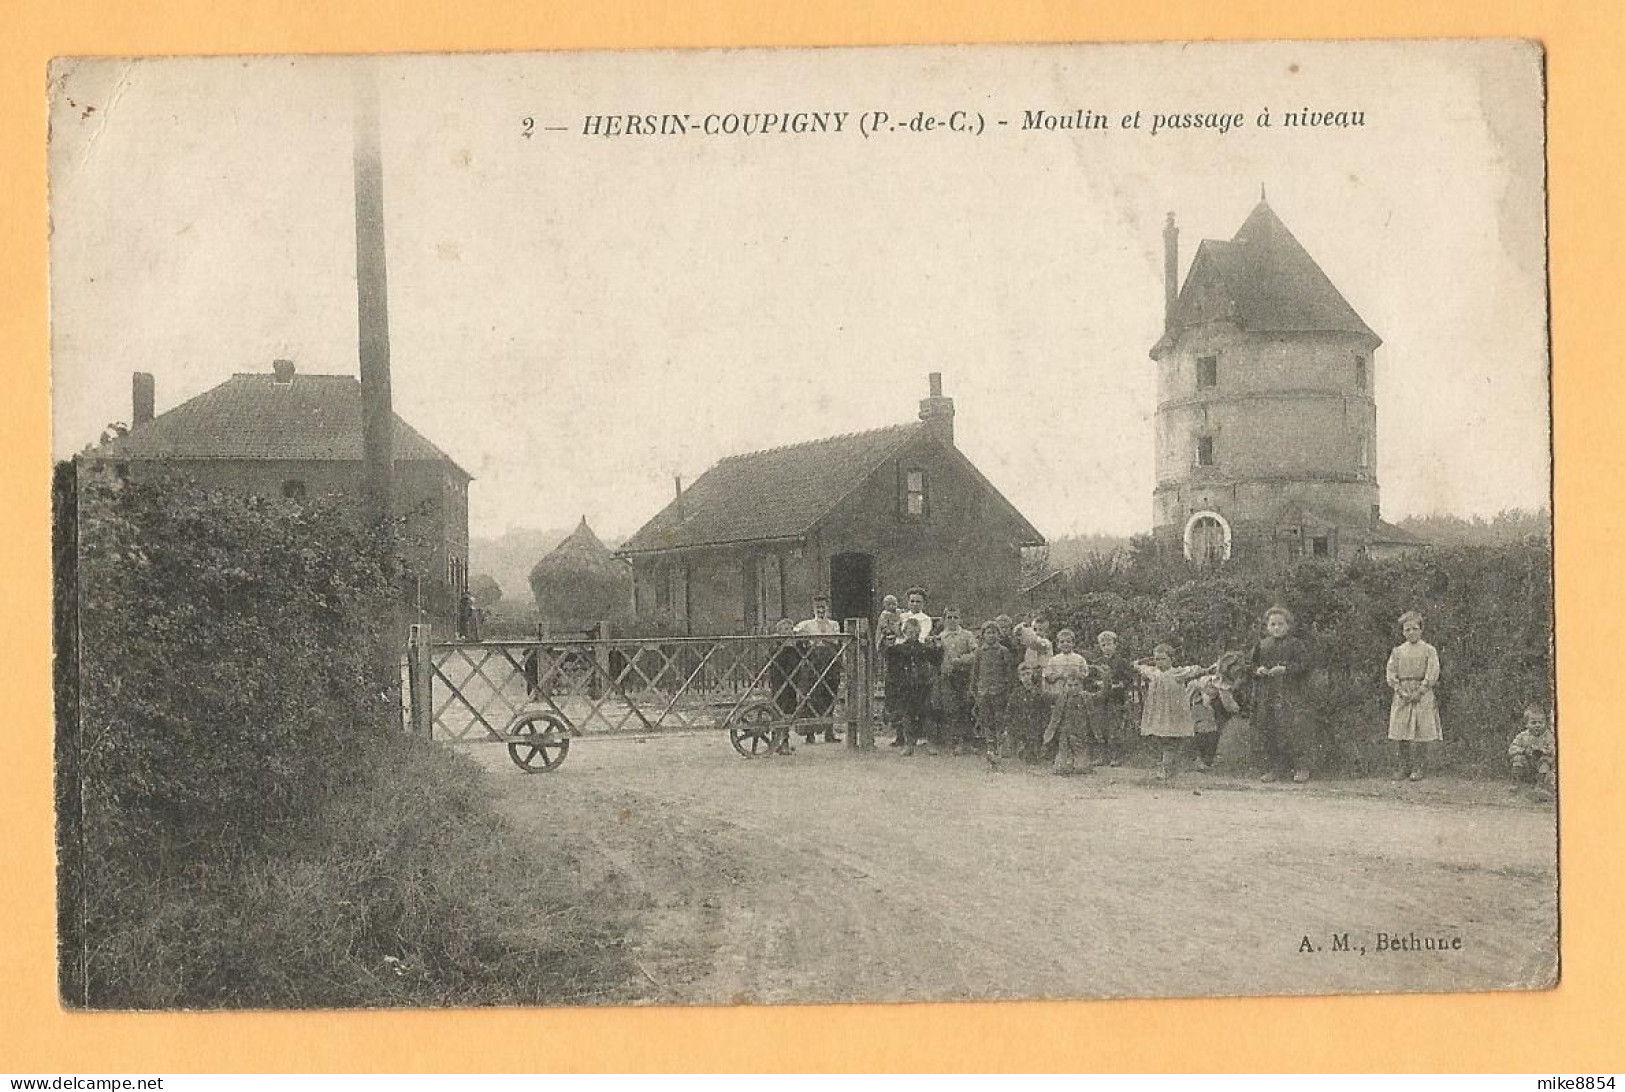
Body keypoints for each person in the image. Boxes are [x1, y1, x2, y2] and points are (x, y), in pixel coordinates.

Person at [1249, 606, 1313, 784]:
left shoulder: (1295, 644)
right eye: (1272, 624)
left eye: (1280, 624)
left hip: (1289, 693)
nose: (1276, 628)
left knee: (1291, 729)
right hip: (1267, 694)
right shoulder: (1262, 645)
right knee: (1269, 729)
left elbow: (1305, 665)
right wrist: (1258, 670)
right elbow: (1250, 666)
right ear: (1267, 627)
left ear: (1288, 626)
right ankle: (1275, 768)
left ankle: (1301, 767)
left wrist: (1285, 669)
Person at [1135, 643, 1208, 779]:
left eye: (1163, 659)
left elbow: (1196, 670)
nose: (1159, 662)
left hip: (1174, 711)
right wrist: (1146, 660)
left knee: (1172, 737)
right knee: (1159, 736)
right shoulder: (1152, 672)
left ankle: (1168, 767)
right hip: (1157, 711)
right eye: (1157, 659)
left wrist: (1207, 669)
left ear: (1171, 659)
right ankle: (1167, 765)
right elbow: (1138, 665)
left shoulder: (1177, 673)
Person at [1386, 610, 1443, 781]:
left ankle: (1419, 767)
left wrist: (1421, 690)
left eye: (1415, 629)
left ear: (1421, 630)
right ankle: (1404, 766)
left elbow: (1433, 671)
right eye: (1407, 630)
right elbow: (1390, 672)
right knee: (1401, 729)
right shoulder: (1398, 651)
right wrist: (1400, 690)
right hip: (1403, 692)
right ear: (1402, 632)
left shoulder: (1428, 650)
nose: (1411, 633)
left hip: (1422, 693)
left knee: (1421, 729)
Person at [885, 617, 942, 756]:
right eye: (909, 632)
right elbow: (890, 662)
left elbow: (936, 660)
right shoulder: (899, 649)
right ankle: (909, 744)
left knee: (927, 714)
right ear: (904, 632)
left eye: (915, 632)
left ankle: (931, 744)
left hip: (923, 685)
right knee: (907, 715)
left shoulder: (923, 648)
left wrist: (938, 647)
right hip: (906, 686)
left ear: (919, 633)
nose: (912, 634)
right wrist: (889, 646)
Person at [1043, 629, 1097, 776]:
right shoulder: (1054, 660)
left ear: (1073, 643)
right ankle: (1062, 756)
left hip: (1076, 696)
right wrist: (1059, 676)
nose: (1065, 644)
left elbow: (1085, 673)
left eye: (1068, 641)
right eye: (1062, 642)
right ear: (1057, 644)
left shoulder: (1078, 659)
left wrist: (1077, 676)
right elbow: (1048, 676)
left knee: (1078, 725)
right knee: (1061, 724)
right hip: (1060, 694)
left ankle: (1080, 757)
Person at [795, 595, 842, 743]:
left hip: (829, 662)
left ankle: (829, 732)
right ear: (813, 609)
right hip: (813, 663)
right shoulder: (806, 625)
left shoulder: (833, 624)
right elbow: (795, 632)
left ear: (828, 608)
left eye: (823, 607)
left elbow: (836, 640)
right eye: (818, 607)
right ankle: (810, 734)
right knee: (811, 695)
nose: (821, 610)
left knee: (829, 695)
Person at [1189, 650, 1247, 770]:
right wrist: (1237, 709)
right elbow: (1228, 703)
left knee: (1210, 732)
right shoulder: (1220, 682)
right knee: (1207, 732)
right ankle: (1202, 760)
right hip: (1204, 705)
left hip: (1210, 705)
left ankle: (1205, 759)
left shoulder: (1225, 680)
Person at [936, 607, 980, 754]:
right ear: (944, 619)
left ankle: (968, 741)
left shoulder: (967, 635)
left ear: (960, 619)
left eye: (955, 617)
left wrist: (961, 660)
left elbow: (976, 653)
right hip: (948, 677)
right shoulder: (941, 637)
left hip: (965, 676)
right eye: (949, 617)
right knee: (952, 709)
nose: (953, 620)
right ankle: (956, 742)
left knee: (966, 707)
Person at [968, 620, 1012, 765]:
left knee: (1000, 718)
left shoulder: (1003, 651)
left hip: (999, 690)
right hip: (983, 691)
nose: (991, 636)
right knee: (986, 719)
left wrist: (1007, 687)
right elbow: (975, 671)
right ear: (983, 635)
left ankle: (1000, 746)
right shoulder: (980, 651)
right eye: (988, 633)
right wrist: (973, 688)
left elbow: (1008, 671)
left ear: (998, 635)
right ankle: (990, 746)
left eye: (994, 633)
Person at [1094, 630, 1136, 767]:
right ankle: (1102, 755)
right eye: (1103, 645)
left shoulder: (1122, 662)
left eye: (1109, 644)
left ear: (1115, 645)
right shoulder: (1097, 662)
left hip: (1116, 698)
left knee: (1115, 727)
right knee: (1101, 726)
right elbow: (1092, 679)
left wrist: (1120, 685)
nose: (1106, 647)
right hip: (1101, 699)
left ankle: (1116, 756)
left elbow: (1129, 679)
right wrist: (1097, 683)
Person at [1507, 704, 1555, 798]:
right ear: (1526, 724)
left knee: (1545, 762)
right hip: (1527, 765)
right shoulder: (1522, 736)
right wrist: (1523, 751)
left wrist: (1544, 751)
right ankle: (1515, 782)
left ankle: (1540, 785)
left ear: (1545, 723)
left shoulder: (1548, 736)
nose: (1537, 725)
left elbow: (1554, 749)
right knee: (1517, 759)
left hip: (1540, 765)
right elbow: (1512, 749)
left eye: (1540, 723)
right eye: (1533, 723)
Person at [1003, 661, 1046, 762]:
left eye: (1028, 674)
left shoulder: (1039, 692)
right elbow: (1009, 711)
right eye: (1023, 675)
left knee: (1034, 754)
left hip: (1036, 726)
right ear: (1019, 677)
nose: (1026, 677)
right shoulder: (1016, 693)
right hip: (1020, 726)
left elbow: (1044, 711)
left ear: (1033, 675)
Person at [876, 595, 904, 746]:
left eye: (894, 603)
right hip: (891, 654)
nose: (892, 606)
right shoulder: (884, 616)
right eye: (888, 604)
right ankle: (897, 730)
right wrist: (888, 634)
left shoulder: (901, 613)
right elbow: (883, 629)